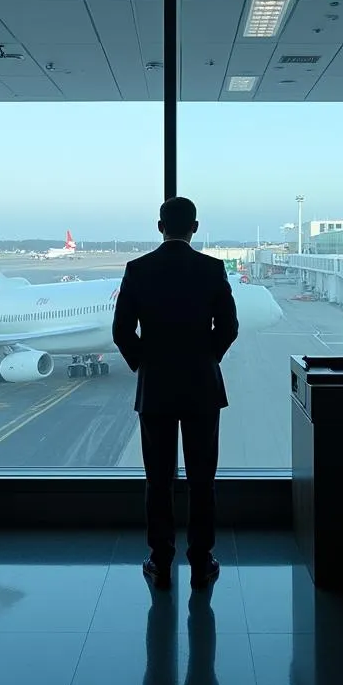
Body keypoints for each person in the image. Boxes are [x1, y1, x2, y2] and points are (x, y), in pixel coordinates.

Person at [112, 197, 239, 590]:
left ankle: (160, 560)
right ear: (195, 228)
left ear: (159, 226)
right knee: (203, 479)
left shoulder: (138, 269)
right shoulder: (212, 269)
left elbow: (121, 331)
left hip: (157, 389)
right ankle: (201, 561)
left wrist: (145, 363)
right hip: (202, 386)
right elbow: (229, 326)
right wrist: (206, 359)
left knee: (158, 478)